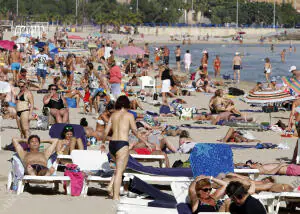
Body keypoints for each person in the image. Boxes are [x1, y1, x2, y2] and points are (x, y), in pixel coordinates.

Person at [101, 96, 149, 200]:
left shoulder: (113, 115)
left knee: (120, 168)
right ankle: (116, 196)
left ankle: (110, 186)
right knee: (119, 171)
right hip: (122, 143)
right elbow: (135, 132)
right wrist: (145, 142)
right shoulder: (129, 115)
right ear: (127, 104)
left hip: (112, 144)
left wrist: (103, 143)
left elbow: (105, 131)